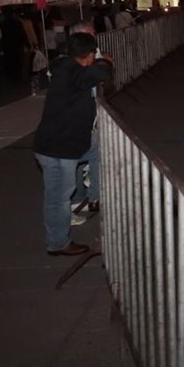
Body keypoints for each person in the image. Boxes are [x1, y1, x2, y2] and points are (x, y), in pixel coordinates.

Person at [32, 33, 113, 256]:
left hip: (72, 141)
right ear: (87, 56)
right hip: (58, 148)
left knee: (98, 153)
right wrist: (106, 60)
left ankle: (94, 196)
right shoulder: (73, 73)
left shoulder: (66, 66)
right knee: (58, 199)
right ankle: (58, 243)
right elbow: (102, 72)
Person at [67, 21, 106, 224]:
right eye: (89, 35)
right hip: (74, 126)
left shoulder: (87, 58)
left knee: (87, 158)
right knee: (84, 158)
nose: (94, 38)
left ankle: (84, 196)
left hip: (84, 121)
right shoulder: (72, 67)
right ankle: (90, 197)